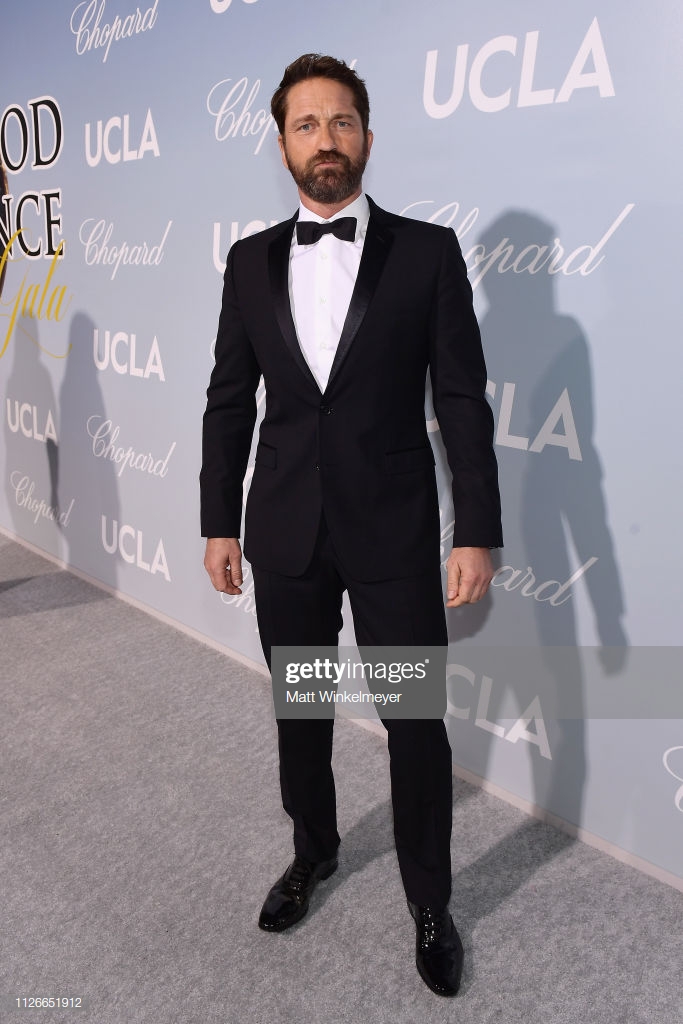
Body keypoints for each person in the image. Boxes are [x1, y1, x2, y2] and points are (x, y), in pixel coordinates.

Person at [201, 54, 502, 998]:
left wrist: (475, 528)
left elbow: (461, 399)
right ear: (282, 143)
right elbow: (228, 401)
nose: (324, 139)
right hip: (284, 533)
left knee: (413, 721)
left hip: (393, 535)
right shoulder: (249, 261)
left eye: (340, 121)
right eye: (306, 124)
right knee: (301, 708)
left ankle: (429, 901)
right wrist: (217, 521)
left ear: (366, 137)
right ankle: (313, 850)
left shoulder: (427, 253)